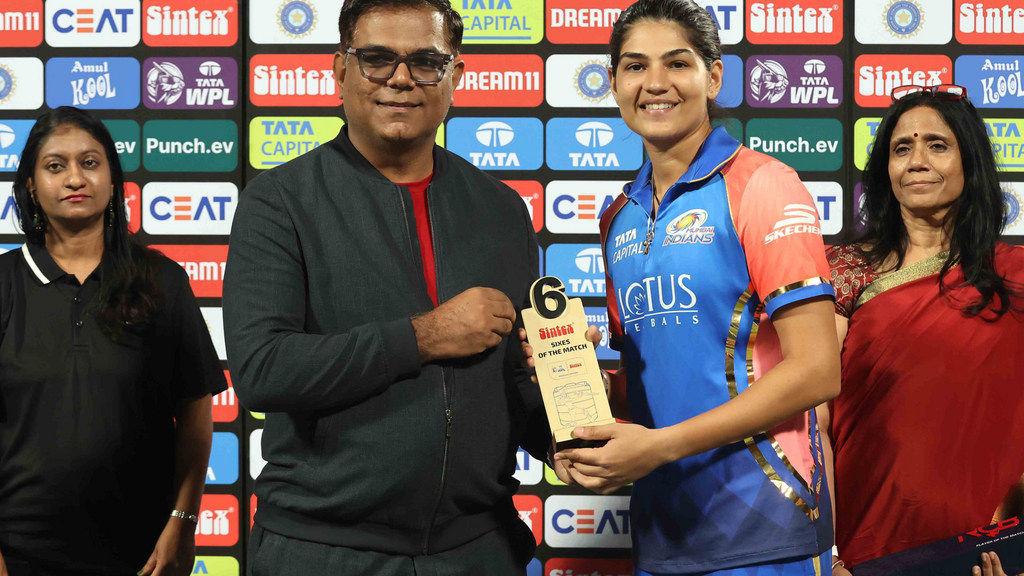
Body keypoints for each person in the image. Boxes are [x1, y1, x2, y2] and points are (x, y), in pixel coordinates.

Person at [222, 0, 548, 574]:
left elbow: (516, 376)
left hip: (478, 550)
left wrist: (563, 432)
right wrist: (425, 336)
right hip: (321, 553)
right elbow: (262, 371)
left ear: (455, 76)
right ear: (340, 70)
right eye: (376, 58)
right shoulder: (278, 201)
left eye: (426, 62)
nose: (400, 79)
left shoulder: (502, 209)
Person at [521, 0, 841, 574]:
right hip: (663, 529)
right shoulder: (618, 217)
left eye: (677, 63)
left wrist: (659, 447)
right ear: (613, 82)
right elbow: (662, 385)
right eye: (635, 66)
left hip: (766, 526)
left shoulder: (764, 185)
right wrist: (586, 384)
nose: (655, 83)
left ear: (712, 77)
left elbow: (817, 369)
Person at [0, 107, 225, 576]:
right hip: (19, 552)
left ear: (112, 178)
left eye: (90, 162)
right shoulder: (3, 283)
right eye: (56, 165)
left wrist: (183, 522)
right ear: (31, 187)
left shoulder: (163, 281)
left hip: (142, 555)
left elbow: (196, 413)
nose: (75, 178)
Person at [821, 84, 1024, 576]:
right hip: (860, 546)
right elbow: (812, 422)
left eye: (937, 145)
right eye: (901, 148)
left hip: (985, 551)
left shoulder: (1015, 276)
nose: (916, 162)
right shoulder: (844, 270)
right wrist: (826, 554)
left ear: (969, 161)